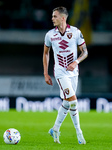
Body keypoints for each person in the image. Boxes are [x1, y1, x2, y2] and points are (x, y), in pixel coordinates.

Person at [43, 6, 88, 144]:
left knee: (67, 103)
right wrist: (45, 72)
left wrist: (76, 62)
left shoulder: (75, 32)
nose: (52, 18)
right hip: (60, 73)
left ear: (63, 18)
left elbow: (85, 52)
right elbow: (46, 53)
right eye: (52, 16)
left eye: (55, 16)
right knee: (73, 101)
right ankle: (79, 133)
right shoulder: (50, 35)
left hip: (73, 73)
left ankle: (55, 129)